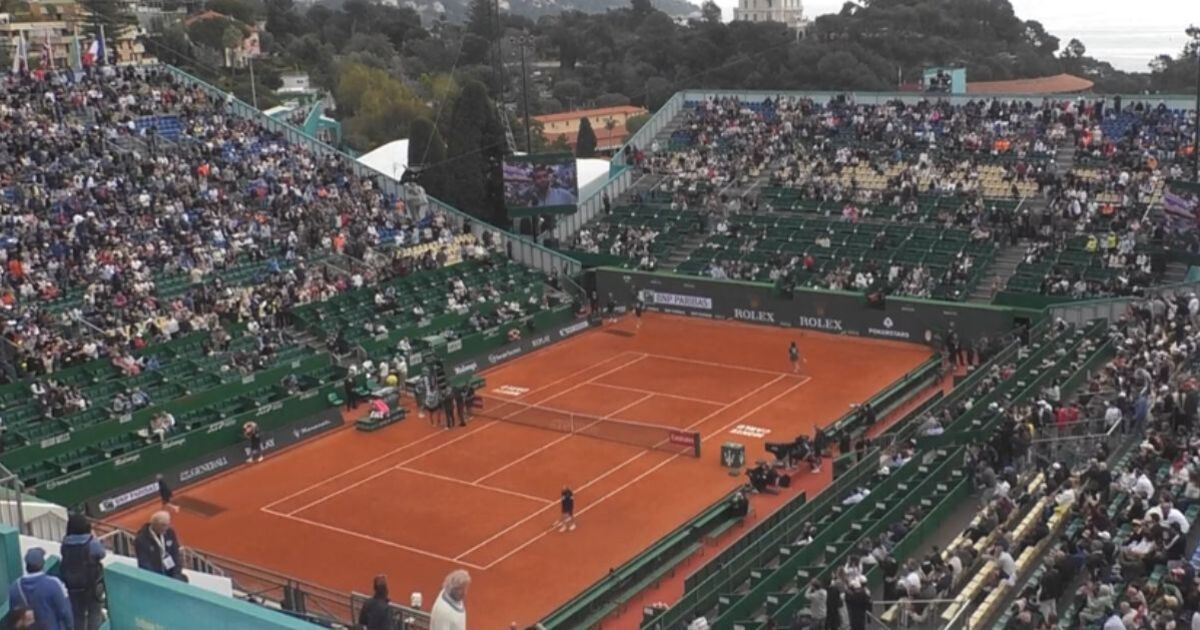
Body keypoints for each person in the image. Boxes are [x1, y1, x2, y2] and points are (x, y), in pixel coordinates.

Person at [59, 514, 106, 630]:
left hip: (72, 586)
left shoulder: (65, 543)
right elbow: (101, 553)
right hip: (92, 585)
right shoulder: (91, 542)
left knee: (78, 615)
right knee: (94, 612)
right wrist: (93, 537)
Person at [7, 548, 72, 630]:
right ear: (42, 564)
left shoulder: (15, 587)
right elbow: (65, 611)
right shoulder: (54, 584)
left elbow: (14, 617)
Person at [134, 511, 183, 580]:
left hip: (171, 575)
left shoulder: (170, 533)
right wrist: (157, 579)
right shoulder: (142, 539)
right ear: (155, 525)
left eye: (168, 524)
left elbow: (176, 554)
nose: (166, 528)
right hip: (153, 578)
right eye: (163, 525)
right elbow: (144, 562)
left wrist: (176, 574)